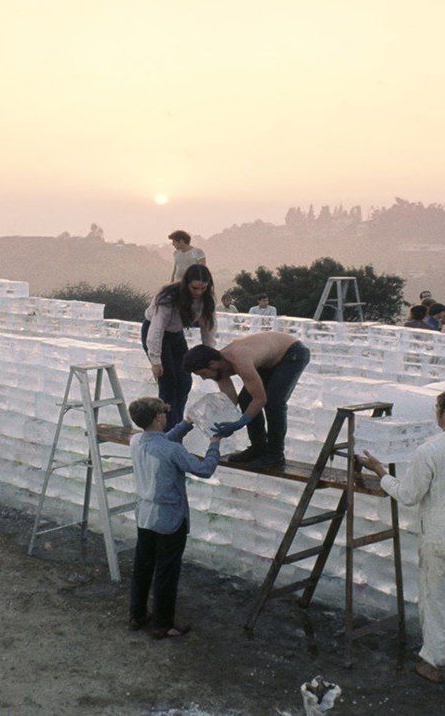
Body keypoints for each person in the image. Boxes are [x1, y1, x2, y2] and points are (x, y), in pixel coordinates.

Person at [359, 390, 445, 693]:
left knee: (435, 599)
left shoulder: (431, 450)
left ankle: (432, 662)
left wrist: (382, 474)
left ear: (443, 414)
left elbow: (409, 496)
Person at [126, 397, 221, 639]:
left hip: (145, 515)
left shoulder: (135, 441)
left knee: (143, 567)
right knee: (167, 572)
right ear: (158, 418)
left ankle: (137, 616)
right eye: (164, 414)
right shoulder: (173, 450)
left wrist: (186, 424)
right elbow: (205, 469)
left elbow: (161, 441)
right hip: (169, 518)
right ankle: (162, 624)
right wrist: (214, 444)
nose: (166, 417)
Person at [182, 331, 311, 470]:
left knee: (274, 402)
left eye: (203, 374)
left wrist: (240, 422)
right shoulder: (220, 367)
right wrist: (216, 418)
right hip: (269, 360)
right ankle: (258, 447)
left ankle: (275, 454)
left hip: (292, 353)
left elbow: (260, 399)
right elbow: (231, 400)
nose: (204, 378)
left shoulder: (239, 360)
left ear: (212, 364)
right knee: (245, 398)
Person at [142, 264, 217, 431]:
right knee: (168, 382)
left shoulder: (206, 298)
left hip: (176, 335)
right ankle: (166, 429)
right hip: (156, 332)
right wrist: (155, 360)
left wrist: (209, 355)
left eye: (203, 288)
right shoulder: (169, 295)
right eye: (194, 288)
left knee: (184, 381)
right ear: (186, 283)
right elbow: (157, 328)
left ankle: (177, 427)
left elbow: (208, 328)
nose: (198, 292)